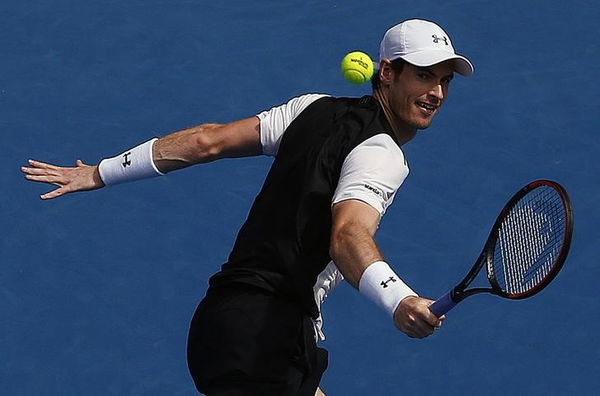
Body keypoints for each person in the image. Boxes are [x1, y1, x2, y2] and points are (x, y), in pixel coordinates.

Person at [22, 18, 473, 396]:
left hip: (224, 323)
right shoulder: (382, 154)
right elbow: (347, 236)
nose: (436, 92)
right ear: (388, 73)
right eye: (424, 75)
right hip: (264, 339)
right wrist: (400, 299)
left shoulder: (310, 108)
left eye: (444, 80)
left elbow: (206, 141)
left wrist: (100, 171)